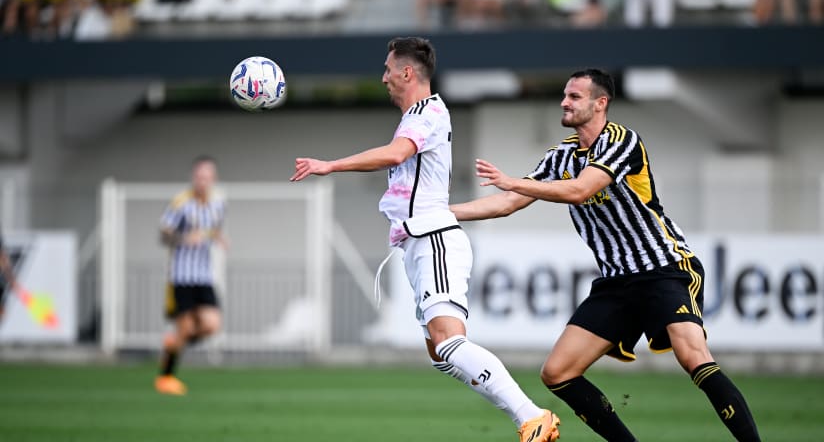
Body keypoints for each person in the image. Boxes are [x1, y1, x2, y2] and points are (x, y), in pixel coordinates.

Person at [450, 68, 762, 441]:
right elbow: (507, 203)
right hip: (617, 282)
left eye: (574, 97)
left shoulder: (623, 141)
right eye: (564, 95)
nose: (564, 102)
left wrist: (513, 180)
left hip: (664, 268)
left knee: (693, 356)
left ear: (601, 104)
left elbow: (581, 190)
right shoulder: (561, 155)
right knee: (557, 372)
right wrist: (437, 214)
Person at [290, 36, 561, 442]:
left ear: (407, 72)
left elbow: (396, 154)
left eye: (387, 69)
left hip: (434, 240)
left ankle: (532, 417)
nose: (382, 78)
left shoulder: (427, 112)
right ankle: (529, 418)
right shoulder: (418, 115)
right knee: (442, 354)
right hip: (422, 240)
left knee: (448, 342)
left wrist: (330, 165)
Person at [155, 155, 227, 396]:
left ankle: (173, 344)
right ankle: (166, 378)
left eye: (207, 177)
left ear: (213, 179)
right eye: (199, 176)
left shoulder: (218, 204)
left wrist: (218, 237)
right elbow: (163, 235)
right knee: (184, 329)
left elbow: (214, 229)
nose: (202, 181)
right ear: (193, 178)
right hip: (181, 277)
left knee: (212, 325)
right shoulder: (181, 203)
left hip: (204, 276)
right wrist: (185, 238)